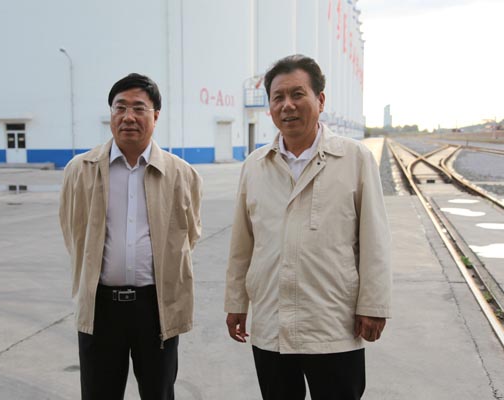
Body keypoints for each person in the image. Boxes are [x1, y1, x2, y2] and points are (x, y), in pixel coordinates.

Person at [224, 54, 392, 400]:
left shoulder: (354, 158)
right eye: (278, 97)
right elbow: (242, 244)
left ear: (320, 100)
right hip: (272, 321)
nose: (287, 105)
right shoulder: (255, 166)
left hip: (332, 323)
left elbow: (375, 239)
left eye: (297, 94)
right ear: (270, 107)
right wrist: (236, 302)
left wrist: (373, 305)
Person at [59, 73, 202, 400]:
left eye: (139, 108)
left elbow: (189, 235)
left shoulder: (182, 174)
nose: (128, 117)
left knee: (158, 392)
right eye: (120, 107)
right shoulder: (80, 170)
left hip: (156, 308)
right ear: (111, 114)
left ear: (156, 115)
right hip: (101, 308)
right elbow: (72, 232)